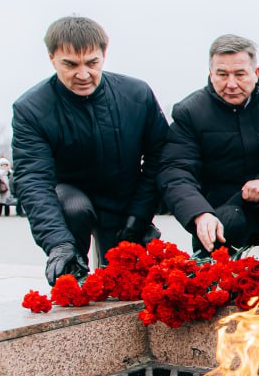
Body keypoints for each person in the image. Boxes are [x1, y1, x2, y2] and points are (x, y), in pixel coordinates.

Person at [12, 16, 168, 285]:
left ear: (104, 55)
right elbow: (33, 179)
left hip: (125, 202)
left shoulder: (137, 94)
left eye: (92, 63)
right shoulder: (31, 109)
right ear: (52, 59)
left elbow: (160, 157)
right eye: (70, 64)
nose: (83, 75)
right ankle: (73, 264)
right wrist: (58, 242)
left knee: (131, 286)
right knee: (74, 208)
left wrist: (139, 216)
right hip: (72, 204)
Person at [159, 35, 259, 264]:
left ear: (256, 72)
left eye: (240, 74)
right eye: (222, 74)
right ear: (211, 74)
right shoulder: (190, 112)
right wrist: (199, 213)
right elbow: (175, 172)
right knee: (211, 273)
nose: (231, 84)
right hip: (220, 210)